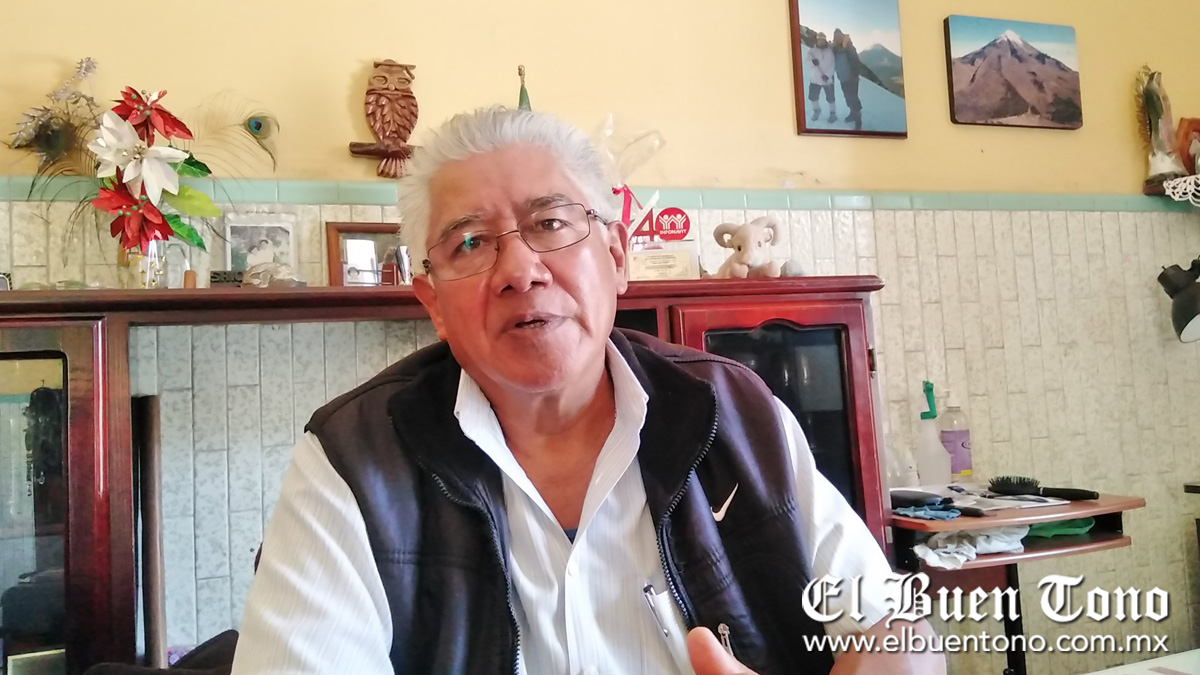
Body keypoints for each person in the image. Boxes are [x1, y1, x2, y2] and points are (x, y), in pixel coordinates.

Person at [231, 106, 944, 675]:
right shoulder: (350, 461)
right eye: (470, 243)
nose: (520, 269)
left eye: (550, 223)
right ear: (433, 303)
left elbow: (897, 622)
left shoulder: (733, 412)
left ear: (616, 255)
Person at [833, 29, 863, 130]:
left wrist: (854, 75)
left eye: (839, 36)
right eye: (835, 37)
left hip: (851, 78)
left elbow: (856, 62)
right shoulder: (835, 49)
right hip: (843, 78)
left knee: (853, 98)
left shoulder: (849, 47)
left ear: (842, 37)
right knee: (848, 98)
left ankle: (858, 120)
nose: (837, 39)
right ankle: (852, 114)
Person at [805, 32, 837, 124]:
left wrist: (827, 75)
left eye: (822, 40)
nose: (821, 41)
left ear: (825, 40)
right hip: (815, 79)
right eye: (819, 40)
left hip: (827, 79)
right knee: (813, 97)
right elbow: (807, 63)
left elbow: (832, 65)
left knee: (831, 98)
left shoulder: (829, 52)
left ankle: (833, 113)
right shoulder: (812, 51)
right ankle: (817, 110)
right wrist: (812, 62)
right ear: (817, 40)